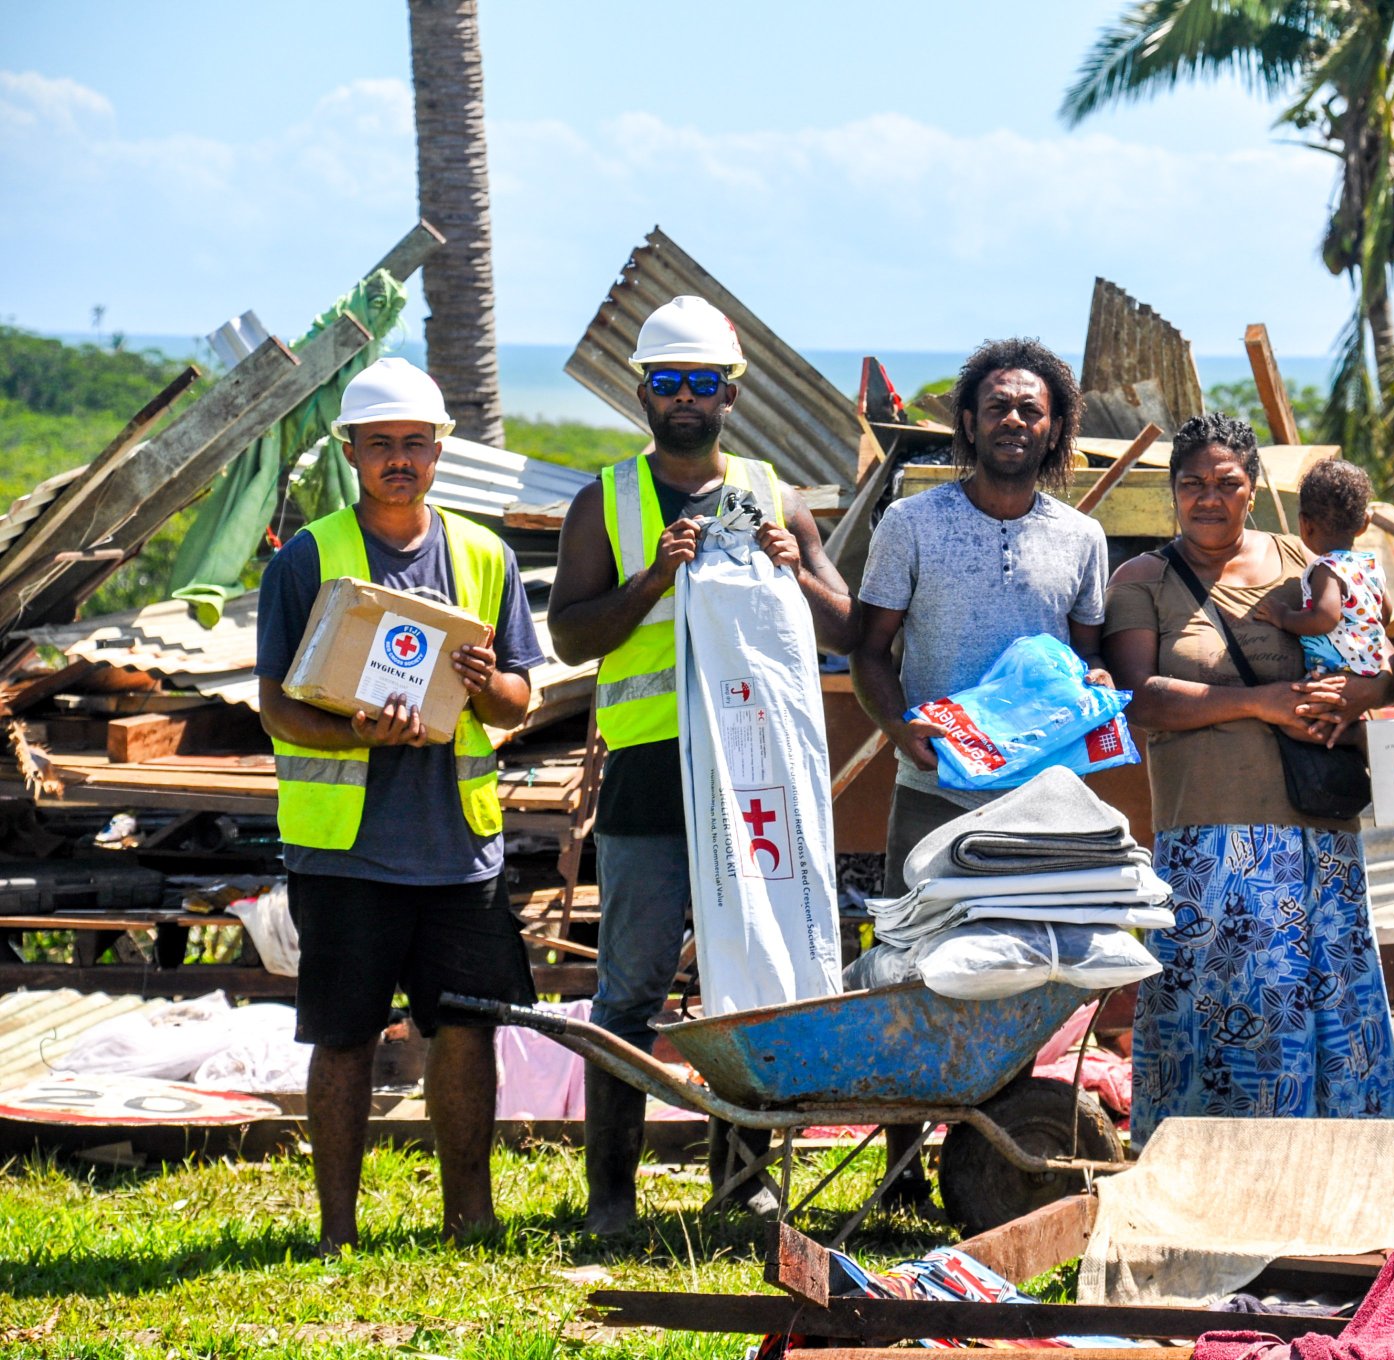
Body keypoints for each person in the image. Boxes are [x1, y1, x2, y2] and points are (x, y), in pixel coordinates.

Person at [549, 295, 856, 1231]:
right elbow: (567, 636)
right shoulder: (606, 501)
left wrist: (792, 567)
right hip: (649, 776)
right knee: (629, 987)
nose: (685, 398)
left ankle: (743, 1179)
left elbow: (843, 626)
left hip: (752, 772)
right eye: (668, 382)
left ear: (731, 394)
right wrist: (651, 582)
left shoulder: (776, 494)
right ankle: (610, 1199)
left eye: (703, 383)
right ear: (644, 392)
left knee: (754, 972)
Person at [255, 357, 546, 1253]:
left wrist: (485, 679)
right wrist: (357, 739)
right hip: (344, 851)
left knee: (464, 1030)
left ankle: (473, 1220)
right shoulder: (310, 558)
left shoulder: (483, 556)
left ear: (439, 452)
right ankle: (336, 1234)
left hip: (459, 849)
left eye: (415, 445)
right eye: (380, 445)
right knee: (342, 1035)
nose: (399, 461)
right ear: (349, 452)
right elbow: (275, 704)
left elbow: (518, 700)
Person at [851, 336, 1110, 1208]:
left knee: (1018, 975)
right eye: (997, 405)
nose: (1012, 419)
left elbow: (1089, 663)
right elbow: (869, 650)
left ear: (1055, 428)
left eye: (1030, 409)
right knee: (912, 968)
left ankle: (988, 1154)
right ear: (967, 421)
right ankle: (897, 1168)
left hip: (1034, 807)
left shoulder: (1080, 537)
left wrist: (1101, 686)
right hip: (932, 791)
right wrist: (900, 728)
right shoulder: (910, 522)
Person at [1102, 413, 1394, 1144]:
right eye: (1192, 485)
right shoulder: (1142, 580)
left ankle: (1333, 1186)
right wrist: (1261, 703)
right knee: (1224, 1012)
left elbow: (1388, 661)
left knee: (1326, 1013)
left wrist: (1356, 697)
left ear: (1253, 488)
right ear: (1171, 492)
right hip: (1208, 848)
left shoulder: (1310, 561)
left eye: (1227, 484)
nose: (1209, 499)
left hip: (1318, 843)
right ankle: (1209, 1182)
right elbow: (1137, 696)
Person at [1254, 457, 1391, 679]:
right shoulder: (1370, 565)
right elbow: (1385, 613)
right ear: (1364, 524)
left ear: (1305, 524)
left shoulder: (1327, 570)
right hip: (1367, 667)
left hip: (1334, 669)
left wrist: (1283, 616)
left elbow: (1324, 618)